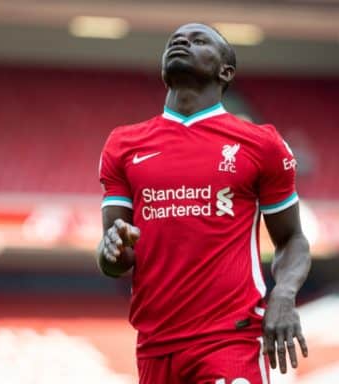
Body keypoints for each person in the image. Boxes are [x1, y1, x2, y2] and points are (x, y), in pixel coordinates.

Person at [98, 23, 311, 384]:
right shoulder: (123, 145)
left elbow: (292, 239)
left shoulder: (261, 144)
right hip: (154, 346)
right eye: (175, 40)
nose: (182, 41)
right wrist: (111, 250)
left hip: (229, 339)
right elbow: (114, 259)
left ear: (225, 71)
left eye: (199, 40)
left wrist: (284, 295)